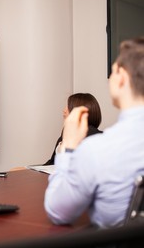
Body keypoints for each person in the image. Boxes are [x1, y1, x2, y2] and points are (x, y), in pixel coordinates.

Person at [44, 37, 144, 229]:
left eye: (113, 71)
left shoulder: (99, 149)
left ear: (121, 78)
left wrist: (69, 149)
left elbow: (58, 211)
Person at [44, 93, 103, 165]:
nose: (64, 110)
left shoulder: (95, 137)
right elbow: (52, 162)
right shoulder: (65, 135)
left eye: (68, 106)